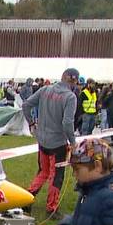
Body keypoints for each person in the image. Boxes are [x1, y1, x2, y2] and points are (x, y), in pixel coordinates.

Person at [21, 68, 78, 216]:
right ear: (75, 81)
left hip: (42, 140)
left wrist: (31, 123)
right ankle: (51, 208)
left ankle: (27, 199)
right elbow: (67, 123)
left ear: (62, 76)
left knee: (43, 172)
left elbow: (26, 105)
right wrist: (72, 142)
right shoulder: (70, 97)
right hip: (58, 143)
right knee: (57, 176)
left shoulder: (45, 89)